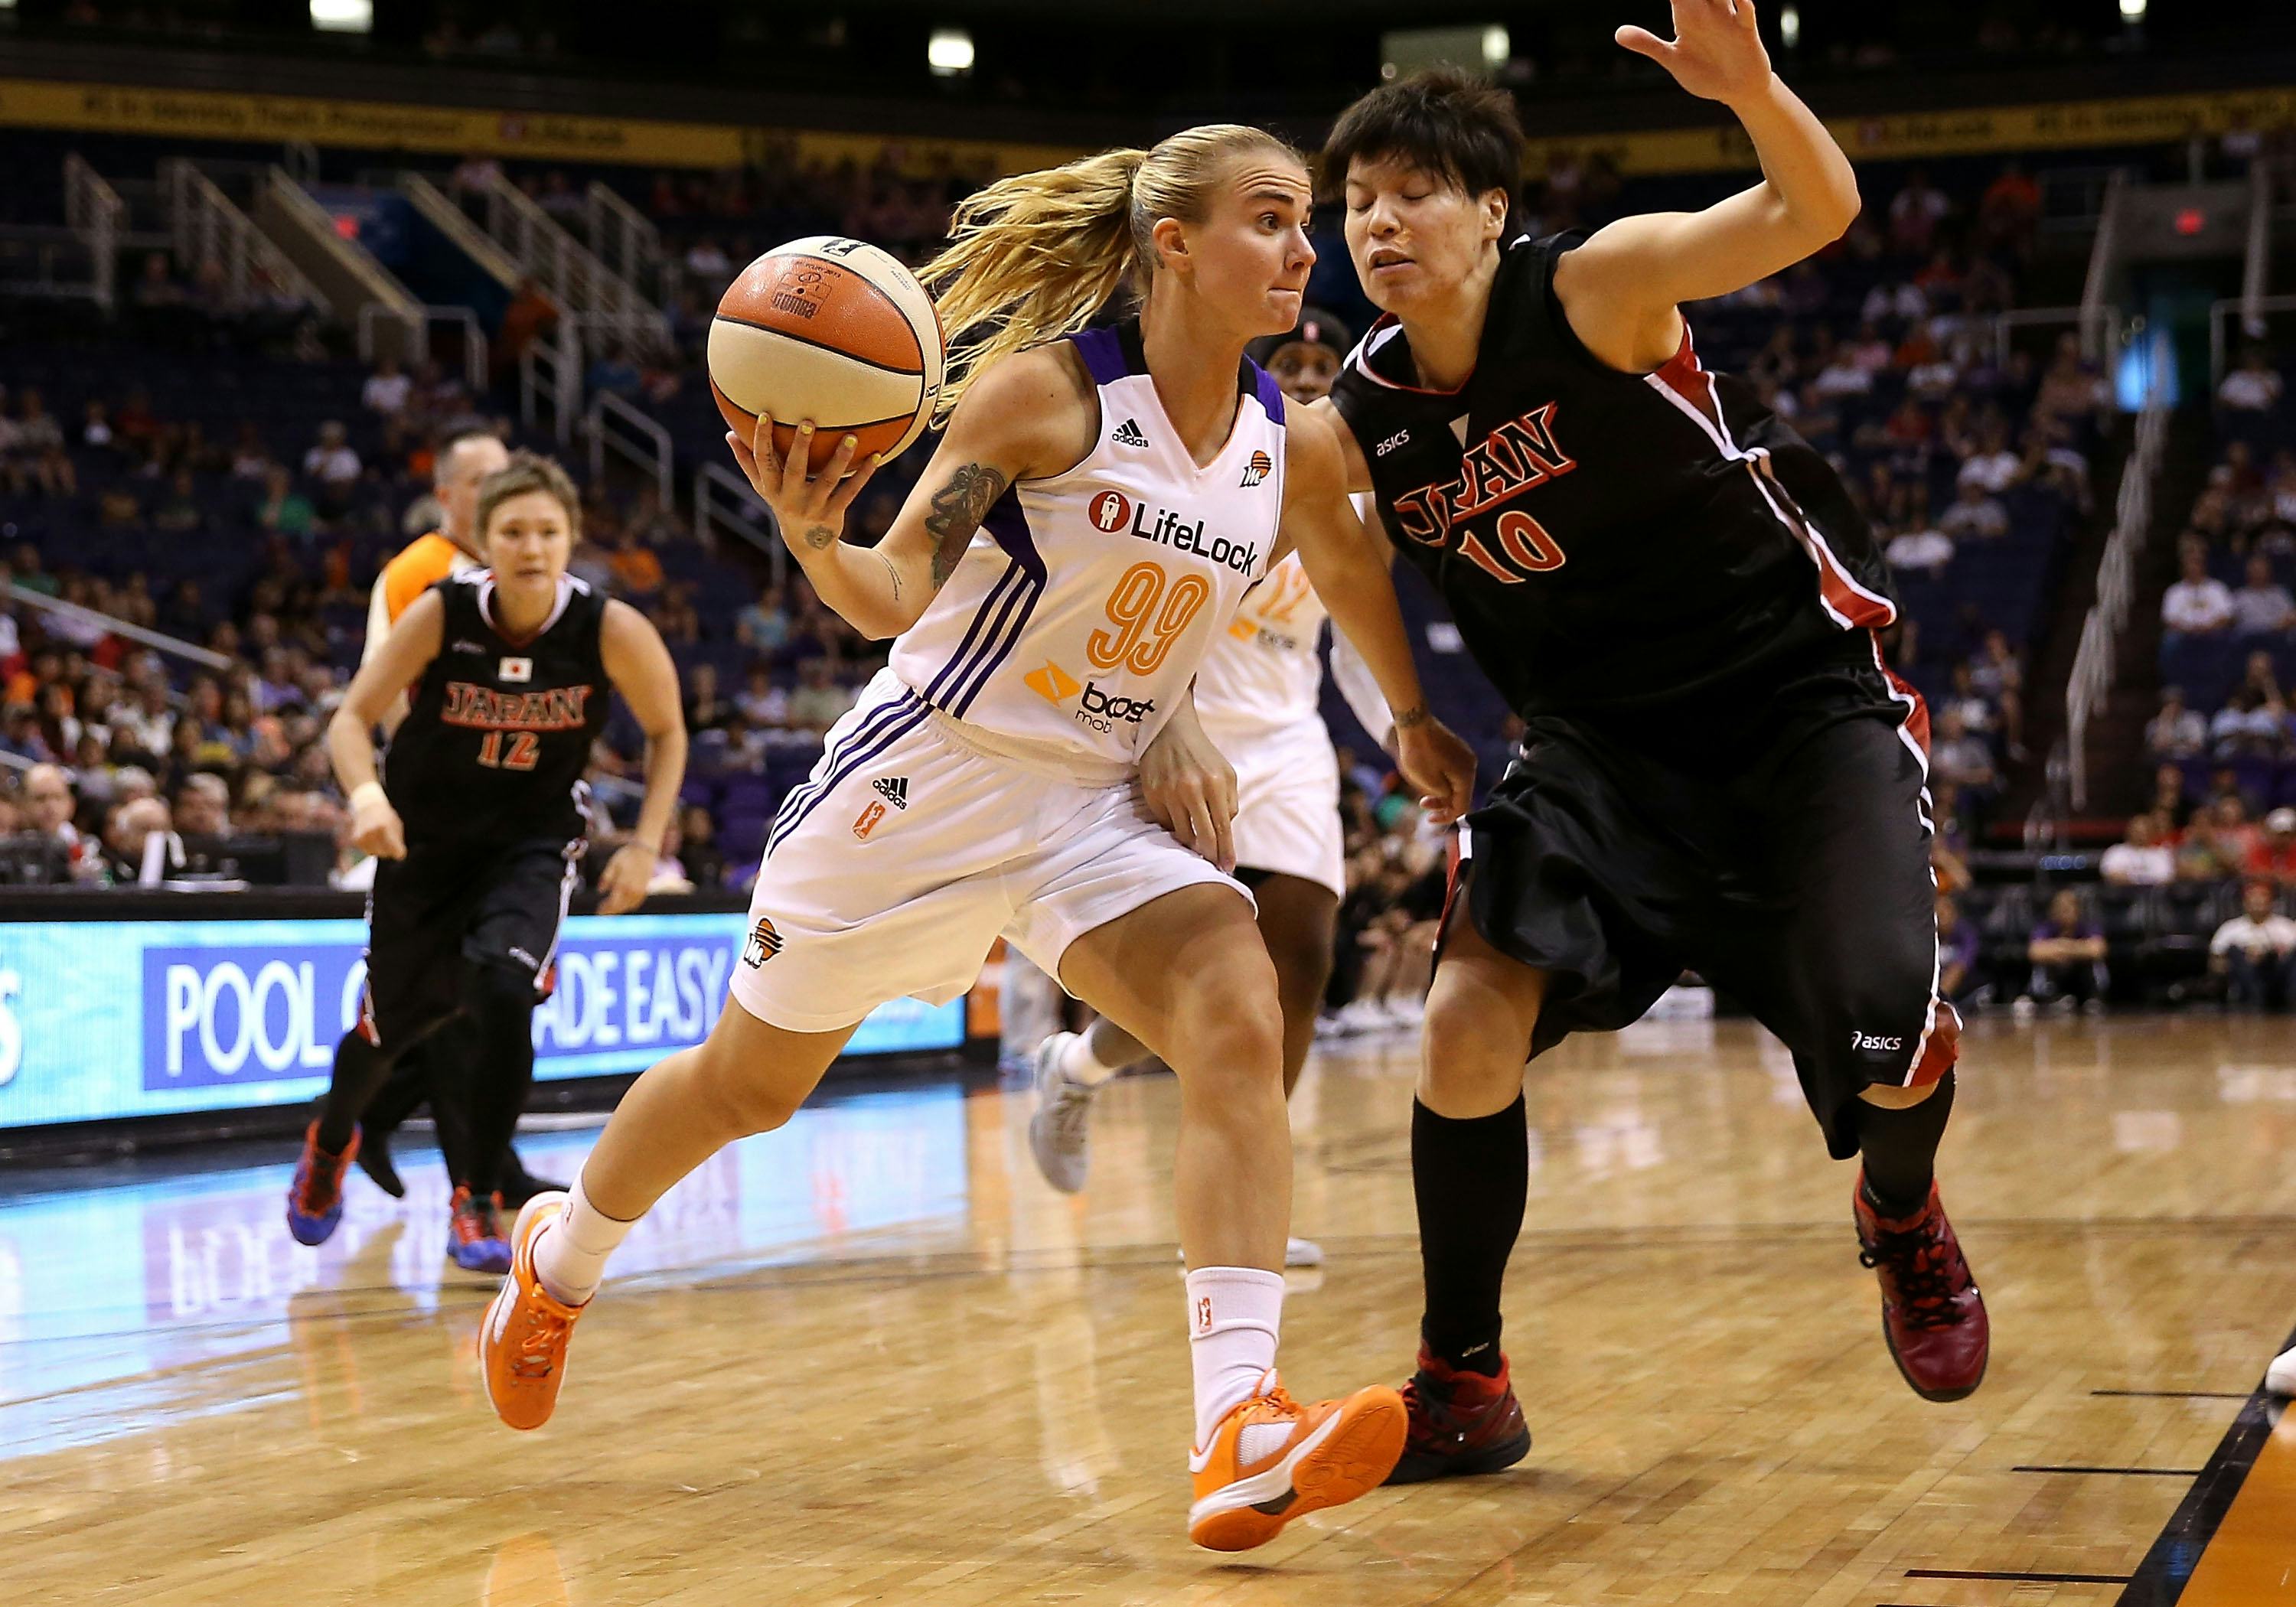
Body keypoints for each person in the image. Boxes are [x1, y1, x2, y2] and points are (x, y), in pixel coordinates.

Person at [475, 125, 1476, 1553]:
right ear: (1173, 244)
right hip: (924, 780)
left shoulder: (1288, 442)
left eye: (1306, 220)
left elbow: (1351, 561)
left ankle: (1237, 1424)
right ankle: (560, 1258)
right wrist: (812, 537)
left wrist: (1409, 719)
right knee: (745, 1089)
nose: (1304, 249)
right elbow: (894, 593)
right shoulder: (1047, 397)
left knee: (1239, 1005)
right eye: (1270, 218)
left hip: (1089, 806)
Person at [1315, 28, 1985, 1486]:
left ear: (1491, 210)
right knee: (1463, 1022)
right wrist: (1410, 713)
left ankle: (1901, 1211)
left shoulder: (1597, 288)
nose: (1380, 223)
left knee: (1892, 1045)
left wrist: (1753, 94)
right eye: (1358, 201)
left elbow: (1814, 211)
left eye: (1415, 192)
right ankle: (1464, 1378)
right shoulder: (1354, 417)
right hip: (1598, 751)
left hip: (1798, 710)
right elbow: (1330, 541)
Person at [1022, 306, 1395, 1270]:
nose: (1309, 376)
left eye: (1325, 364)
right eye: (1291, 362)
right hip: (1176, 727)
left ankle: (1248, 1210)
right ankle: (1078, 1065)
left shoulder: (1353, 495)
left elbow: (1355, 642)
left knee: (1302, 957)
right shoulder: (1208, 457)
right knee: (1200, 980)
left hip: (1290, 737)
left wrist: (1405, 728)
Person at [285, 453, 687, 1275]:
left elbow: (668, 730)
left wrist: (645, 845)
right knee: (391, 1030)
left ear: (571, 538)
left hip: (530, 842)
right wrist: (366, 797)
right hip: (425, 843)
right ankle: (330, 1140)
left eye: (548, 532)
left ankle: (475, 1197)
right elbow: (351, 718)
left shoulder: (607, 627)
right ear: (483, 539)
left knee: (502, 992)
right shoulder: (444, 611)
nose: (531, 547)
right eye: (513, 532)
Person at [344, 432, 565, 1211]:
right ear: (446, 496)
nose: (505, 487)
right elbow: (396, 700)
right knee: (460, 1002)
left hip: (514, 815)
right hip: (443, 815)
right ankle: (481, 1178)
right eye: (484, 479)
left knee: (493, 994)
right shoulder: (421, 573)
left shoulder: (524, 576)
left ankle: (382, 1120)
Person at [2210, 879, 2296, 1009]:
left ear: (2271, 902)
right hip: (2244, 975)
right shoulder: (2230, 928)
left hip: (2278, 975)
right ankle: (2255, 998)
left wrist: (2273, 954)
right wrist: (2245, 957)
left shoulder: (2286, 927)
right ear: (2245, 903)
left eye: (2262, 898)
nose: (2258, 902)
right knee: (2235, 951)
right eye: (2254, 899)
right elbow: (2216, 959)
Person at [2022, 888, 2107, 1012]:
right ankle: (2052, 998)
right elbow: (2034, 952)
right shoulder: (2045, 927)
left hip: (2080, 975)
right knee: (2042, 966)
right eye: (2060, 909)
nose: (2064, 913)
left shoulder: (2088, 926)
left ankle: (2092, 999)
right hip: (2056, 973)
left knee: (2096, 964)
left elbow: (2098, 950)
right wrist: (2079, 948)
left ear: (2077, 910)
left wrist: (2063, 947)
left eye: (2068, 909)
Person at [2099, 812, 2174, 886]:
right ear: (2129, 831)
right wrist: (2144, 879)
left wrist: (2132, 878)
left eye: (2144, 831)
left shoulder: (2161, 854)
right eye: (2137, 831)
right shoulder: (2115, 851)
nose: (2140, 835)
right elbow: (2111, 874)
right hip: (2123, 892)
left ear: (2152, 832)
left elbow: (2165, 877)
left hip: (2154, 892)